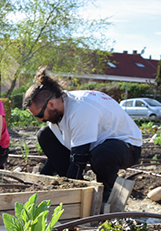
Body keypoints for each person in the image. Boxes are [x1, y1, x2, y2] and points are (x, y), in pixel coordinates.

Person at [23, 68, 142, 201]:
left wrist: (69, 194)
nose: (39, 120)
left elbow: (79, 157)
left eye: (39, 115)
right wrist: (41, 181)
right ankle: (79, 189)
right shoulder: (58, 111)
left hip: (126, 146)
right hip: (96, 144)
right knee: (44, 135)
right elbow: (59, 155)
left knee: (102, 155)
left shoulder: (80, 108)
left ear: (51, 104)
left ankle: (105, 195)